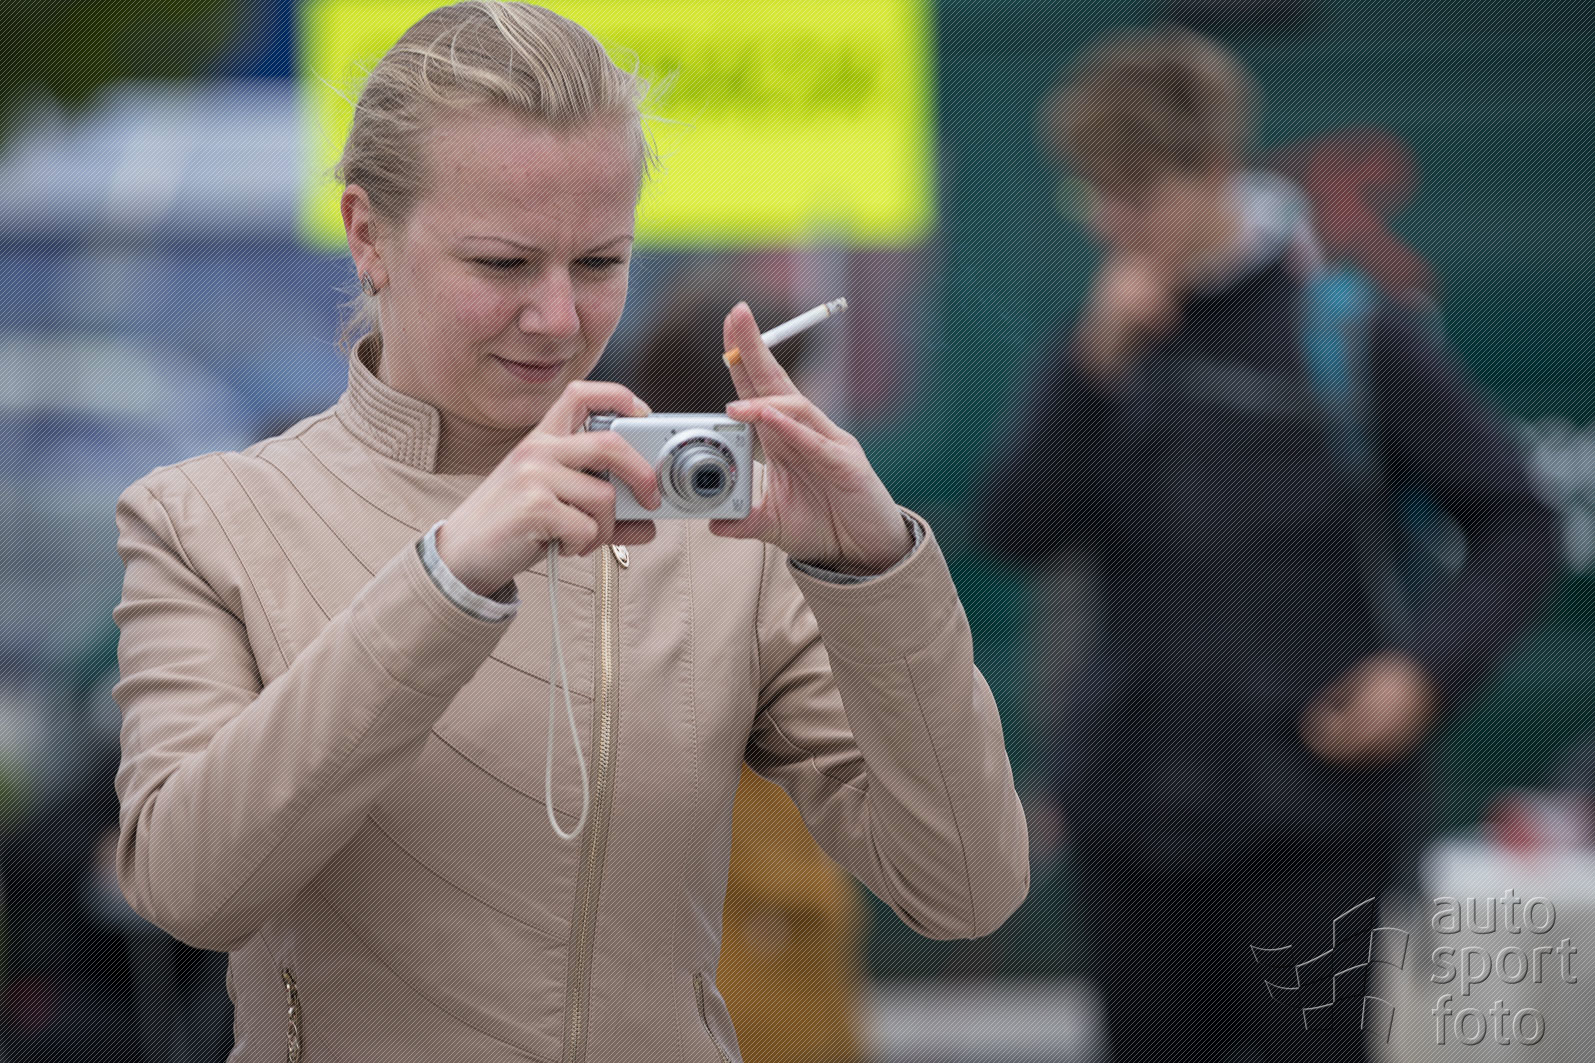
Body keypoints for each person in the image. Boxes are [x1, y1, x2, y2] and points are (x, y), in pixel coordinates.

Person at [109, 4, 1029, 1061]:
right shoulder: (208, 519)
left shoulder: (718, 524)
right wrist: (447, 578)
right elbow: (191, 889)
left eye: (598, 262)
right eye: (503, 264)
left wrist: (873, 570)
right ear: (368, 235)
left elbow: (964, 887)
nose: (557, 317)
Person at [973, 27, 1560, 1063]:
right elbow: (1013, 528)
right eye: (1092, 194)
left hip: (1313, 820)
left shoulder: (1346, 330)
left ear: (1213, 170)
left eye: (1134, 193)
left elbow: (1517, 520)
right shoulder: (1098, 341)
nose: (1110, 222)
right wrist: (1089, 367)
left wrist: (1422, 675)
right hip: (1133, 819)